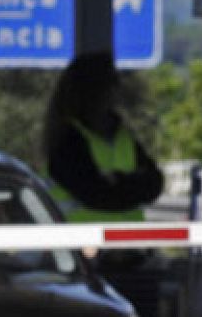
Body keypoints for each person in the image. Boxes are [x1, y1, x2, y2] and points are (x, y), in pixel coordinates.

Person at [43, 49, 163, 223]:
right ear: (91, 89)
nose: (116, 91)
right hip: (82, 242)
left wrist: (116, 182)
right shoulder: (67, 143)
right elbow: (95, 194)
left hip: (128, 241)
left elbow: (154, 183)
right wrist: (130, 185)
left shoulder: (123, 136)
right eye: (110, 84)